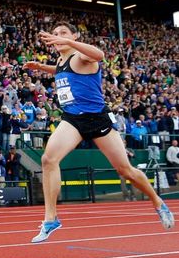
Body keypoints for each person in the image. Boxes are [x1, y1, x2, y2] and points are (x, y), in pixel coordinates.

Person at [23, 22, 174, 243]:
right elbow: (61, 71)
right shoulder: (61, 60)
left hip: (97, 119)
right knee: (48, 159)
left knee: (125, 170)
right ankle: (51, 218)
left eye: (63, 33)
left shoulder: (82, 56)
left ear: (74, 35)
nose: (57, 37)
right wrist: (40, 67)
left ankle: (158, 202)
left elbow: (100, 54)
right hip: (72, 119)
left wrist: (68, 41)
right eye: (55, 34)